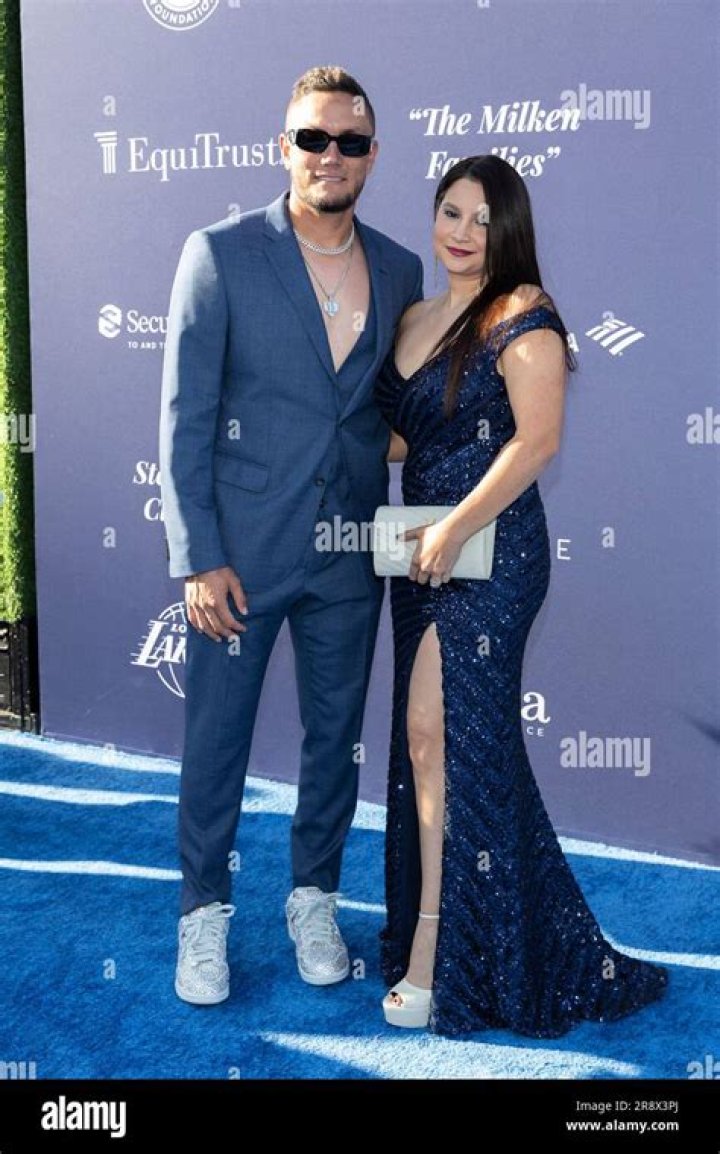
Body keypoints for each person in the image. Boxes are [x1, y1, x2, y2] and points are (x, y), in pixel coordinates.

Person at [374, 155, 668, 1035]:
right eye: (449, 212)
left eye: (481, 217)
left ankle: (440, 951)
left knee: (436, 732)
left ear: (509, 228)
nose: (462, 232)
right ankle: (490, 936)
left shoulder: (522, 310)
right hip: (421, 551)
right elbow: (401, 438)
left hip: (492, 552)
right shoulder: (416, 317)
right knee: (445, 745)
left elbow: (536, 441)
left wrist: (455, 527)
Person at [159, 66, 423, 1004]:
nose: (329, 156)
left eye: (349, 141)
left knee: (334, 739)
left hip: (348, 555)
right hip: (240, 555)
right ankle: (203, 911)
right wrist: (198, 556)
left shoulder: (401, 269)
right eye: (313, 138)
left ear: (373, 156)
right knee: (217, 741)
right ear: (285, 148)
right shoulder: (220, 253)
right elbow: (186, 417)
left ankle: (314, 896)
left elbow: (390, 411)